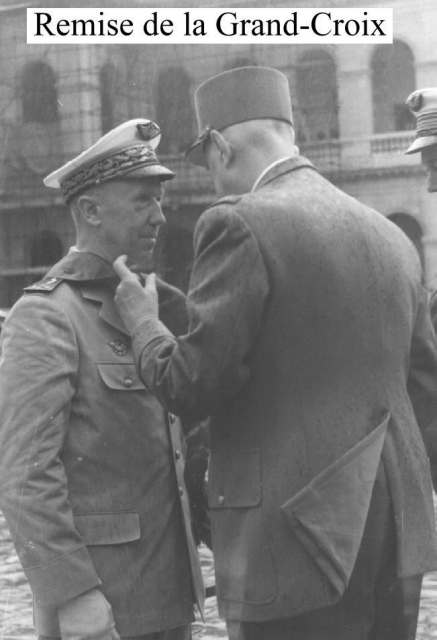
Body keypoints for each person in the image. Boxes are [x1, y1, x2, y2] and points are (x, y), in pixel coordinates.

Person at [113, 67, 437, 640]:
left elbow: (192, 383)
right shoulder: (392, 237)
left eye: (206, 160)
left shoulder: (238, 222)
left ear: (219, 144)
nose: (213, 181)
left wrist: (144, 324)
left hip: (291, 546)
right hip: (396, 537)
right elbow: (426, 393)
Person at [0, 119, 204, 640]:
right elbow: (25, 475)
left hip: (169, 595)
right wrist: (73, 595)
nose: (160, 215)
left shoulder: (152, 305)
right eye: (142, 201)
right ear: (90, 210)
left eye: (159, 200)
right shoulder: (47, 316)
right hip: (99, 608)